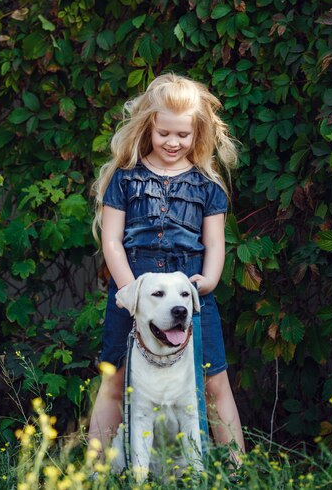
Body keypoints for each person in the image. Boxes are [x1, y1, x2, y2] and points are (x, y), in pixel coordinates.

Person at [88, 73, 245, 464]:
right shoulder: (125, 178)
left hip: (191, 292)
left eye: (183, 135)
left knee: (214, 380)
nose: (173, 143)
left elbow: (215, 243)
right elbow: (111, 240)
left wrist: (208, 280)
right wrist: (130, 293)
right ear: (148, 128)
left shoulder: (207, 185)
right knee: (114, 378)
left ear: (198, 134)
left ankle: (241, 471)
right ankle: (92, 473)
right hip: (133, 290)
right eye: (164, 134)